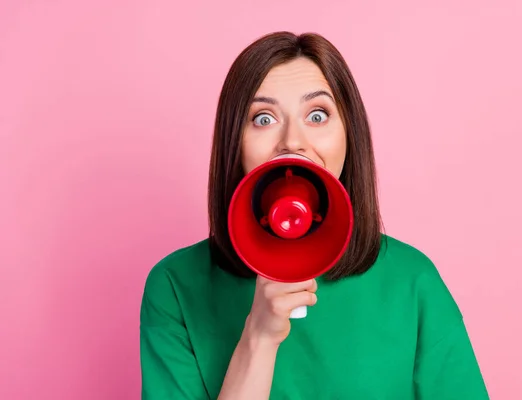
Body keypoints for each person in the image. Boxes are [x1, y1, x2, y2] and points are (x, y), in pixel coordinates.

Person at [139, 31, 489, 399]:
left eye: (317, 115)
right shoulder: (175, 286)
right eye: (262, 118)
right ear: (233, 143)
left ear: (349, 135)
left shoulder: (412, 280)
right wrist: (259, 337)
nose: (293, 141)